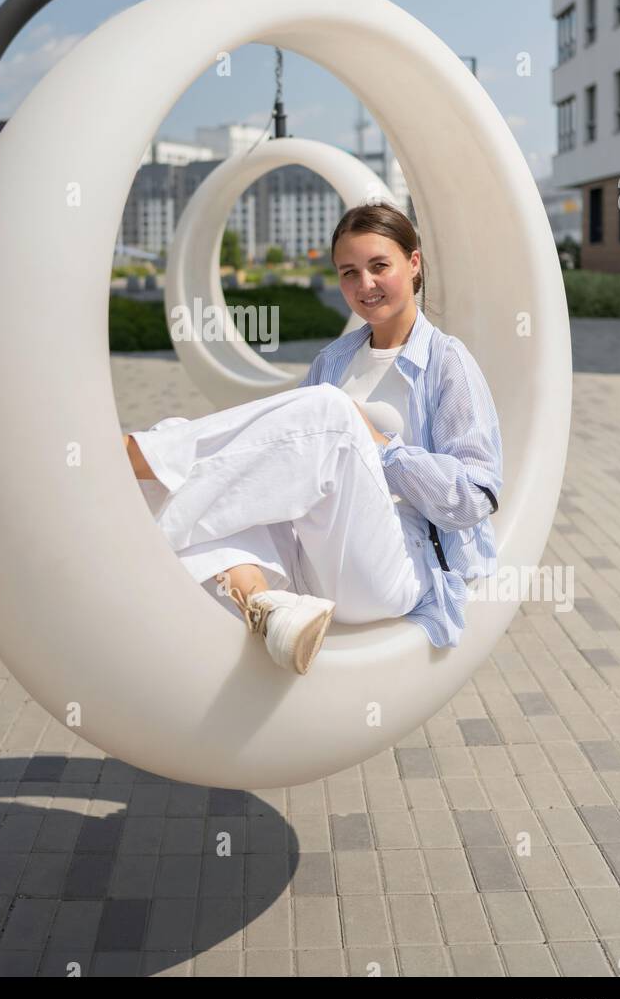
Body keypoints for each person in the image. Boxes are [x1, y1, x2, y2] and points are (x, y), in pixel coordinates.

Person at [124, 201, 503, 677]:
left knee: (330, 413)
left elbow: (475, 498)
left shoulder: (448, 363)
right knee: (206, 457)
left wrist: (380, 447)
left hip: (397, 566)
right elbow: (287, 463)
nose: (364, 285)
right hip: (314, 561)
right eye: (349, 272)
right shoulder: (334, 360)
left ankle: (134, 478)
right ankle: (271, 610)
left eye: (379, 266)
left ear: (413, 263)